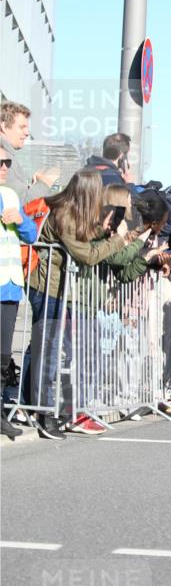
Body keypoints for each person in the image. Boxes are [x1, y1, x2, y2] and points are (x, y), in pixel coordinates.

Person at [27, 169, 129, 438]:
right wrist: (117, 240)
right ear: (89, 193)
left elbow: (83, 241)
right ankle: (44, 413)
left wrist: (103, 231)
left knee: (52, 350)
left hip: (59, 290)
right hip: (48, 289)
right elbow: (87, 255)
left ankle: (41, 406)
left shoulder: (72, 212)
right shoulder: (64, 214)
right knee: (48, 352)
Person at [0, 145, 38, 439]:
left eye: (7, 162)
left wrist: (21, 220)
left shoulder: (11, 195)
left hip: (10, 285)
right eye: (1, 162)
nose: (5, 167)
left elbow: (31, 234)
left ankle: (0, 412)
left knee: (3, 355)